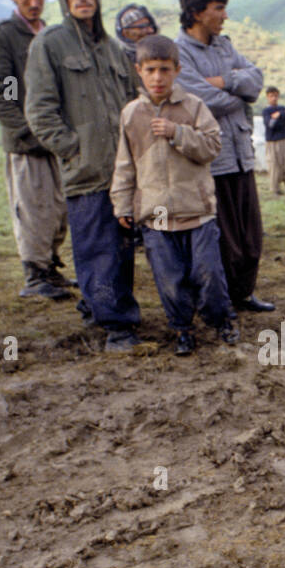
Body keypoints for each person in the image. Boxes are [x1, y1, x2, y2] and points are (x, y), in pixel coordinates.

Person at [24, 0, 142, 351]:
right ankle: (117, 327)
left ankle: (98, 305)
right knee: (97, 247)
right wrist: (72, 148)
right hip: (85, 170)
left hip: (122, 170)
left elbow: (131, 103)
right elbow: (39, 109)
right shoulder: (50, 44)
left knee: (122, 248)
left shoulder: (113, 50)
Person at [111, 34, 236, 357]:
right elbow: (125, 166)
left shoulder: (194, 107)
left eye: (165, 69)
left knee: (208, 274)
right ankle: (182, 329)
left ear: (177, 69)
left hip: (196, 210)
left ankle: (222, 320)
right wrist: (122, 204)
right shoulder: (130, 115)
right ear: (138, 70)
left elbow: (212, 147)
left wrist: (177, 133)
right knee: (169, 279)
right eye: (150, 69)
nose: (158, 77)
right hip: (157, 216)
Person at [174, 0, 275, 313]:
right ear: (198, 12)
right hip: (211, 160)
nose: (225, 16)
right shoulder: (180, 54)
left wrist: (227, 81)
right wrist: (237, 93)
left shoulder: (225, 47)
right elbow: (201, 100)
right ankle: (220, 300)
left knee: (250, 233)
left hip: (241, 154)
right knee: (223, 237)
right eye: (219, 9)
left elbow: (255, 79)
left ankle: (244, 293)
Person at [0, 0, 72, 302]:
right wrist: (25, 130)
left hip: (54, 138)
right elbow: (2, 90)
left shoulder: (48, 32)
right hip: (26, 143)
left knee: (57, 208)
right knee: (33, 208)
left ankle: (49, 268)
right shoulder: (6, 35)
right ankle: (34, 276)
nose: (34, 3)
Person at [262, 86, 285, 194]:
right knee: (274, 164)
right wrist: (282, 119)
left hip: (283, 140)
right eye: (271, 96)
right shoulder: (266, 111)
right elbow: (270, 124)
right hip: (272, 142)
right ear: (267, 97)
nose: (274, 98)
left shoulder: (281, 109)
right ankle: (275, 188)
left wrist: (279, 115)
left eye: (276, 96)